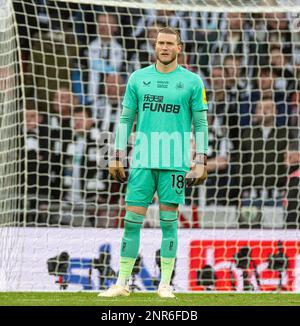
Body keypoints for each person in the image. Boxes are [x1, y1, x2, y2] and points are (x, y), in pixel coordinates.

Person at [98, 27, 208, 298]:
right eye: (160, 43)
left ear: (179, 47)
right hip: (142, 161)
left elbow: (201, 123)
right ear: (155, 46)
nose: (165, 47)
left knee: (169, 224)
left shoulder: (193, 82)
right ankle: (122, 282)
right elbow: (125, 120)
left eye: (170, 43)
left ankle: (165, 285)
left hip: (174, 163)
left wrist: (201, 159)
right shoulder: (138, 78)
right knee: (132, 222)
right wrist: (116, 154)